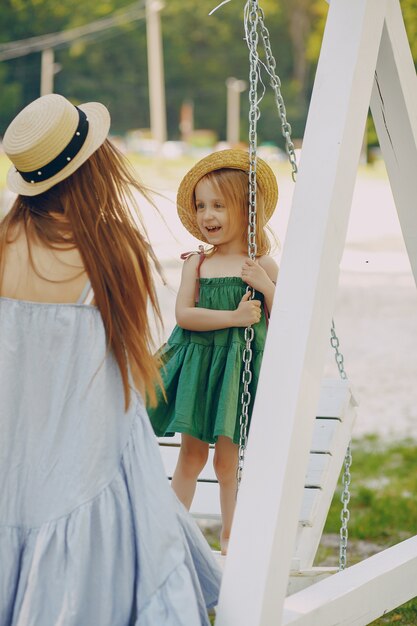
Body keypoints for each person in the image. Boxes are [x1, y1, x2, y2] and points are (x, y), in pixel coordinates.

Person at [0, 93, 221, 626]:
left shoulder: (3, 244)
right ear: (94, 166)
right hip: (86, 465)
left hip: (12, 466)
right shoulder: (109, 247)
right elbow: (132, 370)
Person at [148, 149, 279, 555]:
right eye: (201, 206)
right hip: (199, 366)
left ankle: (230, 539)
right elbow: (185, 315)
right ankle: (169, 534)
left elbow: (286, 317)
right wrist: (235, 317)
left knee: (228, 461)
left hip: (235, 371)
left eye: (219, 205)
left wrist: (265, 284)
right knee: (190, 456)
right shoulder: (198, 264)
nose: (208, 215)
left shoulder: (261, 264)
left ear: (246, 209)